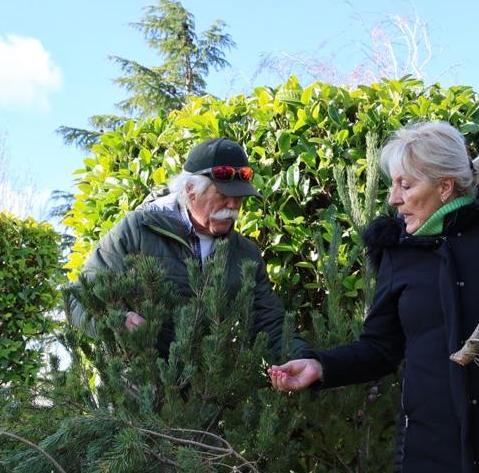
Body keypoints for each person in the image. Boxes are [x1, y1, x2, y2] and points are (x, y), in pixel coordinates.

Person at [268, 121, 479, 473]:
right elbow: (381, 347)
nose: (393, 199)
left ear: (444, 186)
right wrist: (321, 366)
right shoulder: (397, 254)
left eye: (405, 185)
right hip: (431, 455)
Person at [66, 137, 310, 359]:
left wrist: (304, 360)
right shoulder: (136, 230)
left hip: (208, 398)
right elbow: (77, 300)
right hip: (137, 392)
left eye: (240, 196)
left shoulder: (246, 254)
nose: (233, 205)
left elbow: (270, 325)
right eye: (224, 194)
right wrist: (117, 322)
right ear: (191, 191)